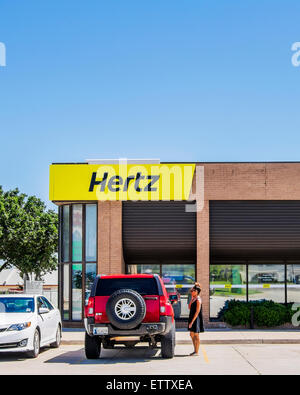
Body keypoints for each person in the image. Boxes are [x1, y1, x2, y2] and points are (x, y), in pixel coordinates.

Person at [188, 282, 204, 356]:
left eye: (192, 291)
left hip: (196, 319)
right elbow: (189, 307)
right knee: (191, 334)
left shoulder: (198, 300)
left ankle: (196, 351)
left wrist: (192, 322)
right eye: (191, 291)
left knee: (196, 335)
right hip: (191, 317)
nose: (191, 292)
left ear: (196, 292)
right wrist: (191, 299)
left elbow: (197, 312)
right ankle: (195, 350)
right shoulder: (194, 298)